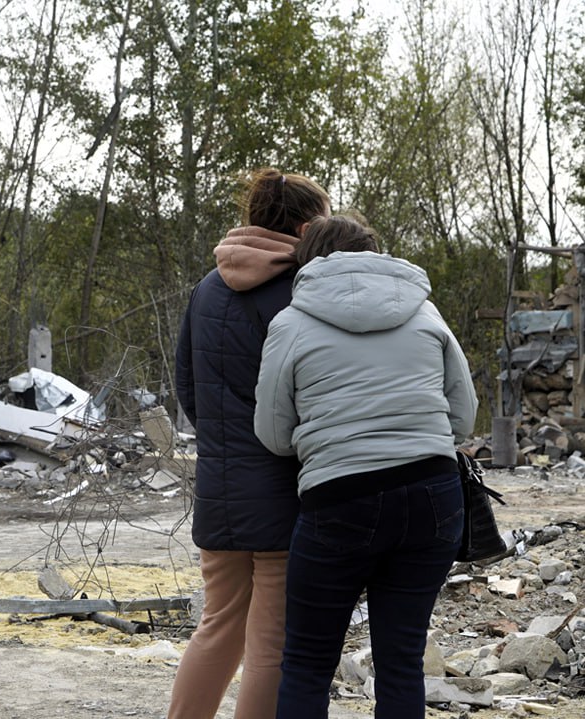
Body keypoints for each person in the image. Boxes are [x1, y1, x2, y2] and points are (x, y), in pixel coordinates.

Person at [253, 215, 478, 719]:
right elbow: (462, 417)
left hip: (339, 498)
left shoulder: (289, 323)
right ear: (376, 253)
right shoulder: (425, 312)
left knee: (309, 663)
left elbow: (271, 432)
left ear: (307, 262)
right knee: (401, 663)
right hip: (431, 494)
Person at [169, 168, 331, 719]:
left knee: (217, 627)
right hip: (283, 490)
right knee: (272, 646)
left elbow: (186, 387)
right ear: (307, 225)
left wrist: (222, 438)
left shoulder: (207, 288)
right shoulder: (300, 292)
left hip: (218, 483)